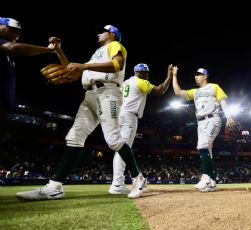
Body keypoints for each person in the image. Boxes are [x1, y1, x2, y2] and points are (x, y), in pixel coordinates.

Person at [16, 25, 147, 200]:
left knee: (113, 139)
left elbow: (117, 64)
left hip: (107, 92)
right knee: (74, 137)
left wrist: (84, 65)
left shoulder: (114, 46)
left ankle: (138, 178)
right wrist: (59, 51)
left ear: (111, 34)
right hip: (90, 95)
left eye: (102, 31)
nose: (98, 33)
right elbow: (73, 71)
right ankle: (55, 186)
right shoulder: (96, 54)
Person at [109, 63, 173, 194]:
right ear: (141, 73)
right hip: (129, 117)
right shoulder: (140, 82)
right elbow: (160, 90)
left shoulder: (126, 82)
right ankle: (118, 183)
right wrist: (169, 77)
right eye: (147, 73)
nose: (148, 76)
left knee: (121, 149)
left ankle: (117, 183)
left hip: (120, 116)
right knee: (124, 149)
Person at [172, 67, 235, 192]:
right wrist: (174, 76)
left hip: (213, 119)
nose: (196, 76)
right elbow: (178, 92)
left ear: (205, 76)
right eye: (195, 75)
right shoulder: (194, 91)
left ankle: (205, 177)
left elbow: (223, 101)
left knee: (202, 146)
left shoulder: (214, 87)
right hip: (200, 122)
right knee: (207, 151)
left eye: (199, 74)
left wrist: (229, 117)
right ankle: (212, 182)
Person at [1, 17, 55, 112]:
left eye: (17, 31)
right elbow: (13, 48)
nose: (16, 34)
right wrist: (48, 50)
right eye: (12, 29)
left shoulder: (6, 50)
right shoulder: (6, 46)